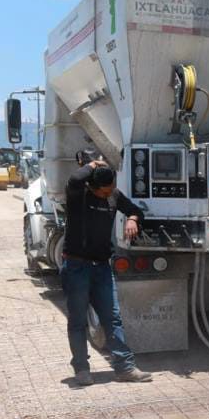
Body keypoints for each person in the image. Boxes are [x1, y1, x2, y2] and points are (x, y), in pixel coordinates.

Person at [62, 159, 150, 385]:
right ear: (92, 186)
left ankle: (125, 368)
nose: (109, 194)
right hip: (76, 267)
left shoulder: (113, 196)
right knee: (78, 320)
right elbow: (74, 178)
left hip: (101, 267)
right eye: (105, 191)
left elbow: (135, 210)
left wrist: (132, 218)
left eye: (111, 189)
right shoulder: (77, 195)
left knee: (113, 318)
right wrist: (92, 165)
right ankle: (81, 369)